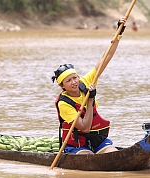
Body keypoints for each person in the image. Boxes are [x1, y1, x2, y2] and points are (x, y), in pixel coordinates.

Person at [51, 18, 127, 154]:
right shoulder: (64, 104)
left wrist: (118, 33)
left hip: (98, 140)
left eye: (75, 78)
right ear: (62, 85)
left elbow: (106, 56)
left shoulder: (85, 82)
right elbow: (85, 128)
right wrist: (90, 100)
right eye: (68, 81)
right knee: (89, 157)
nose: (74, 82)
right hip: (77, 145)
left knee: (113, 153)